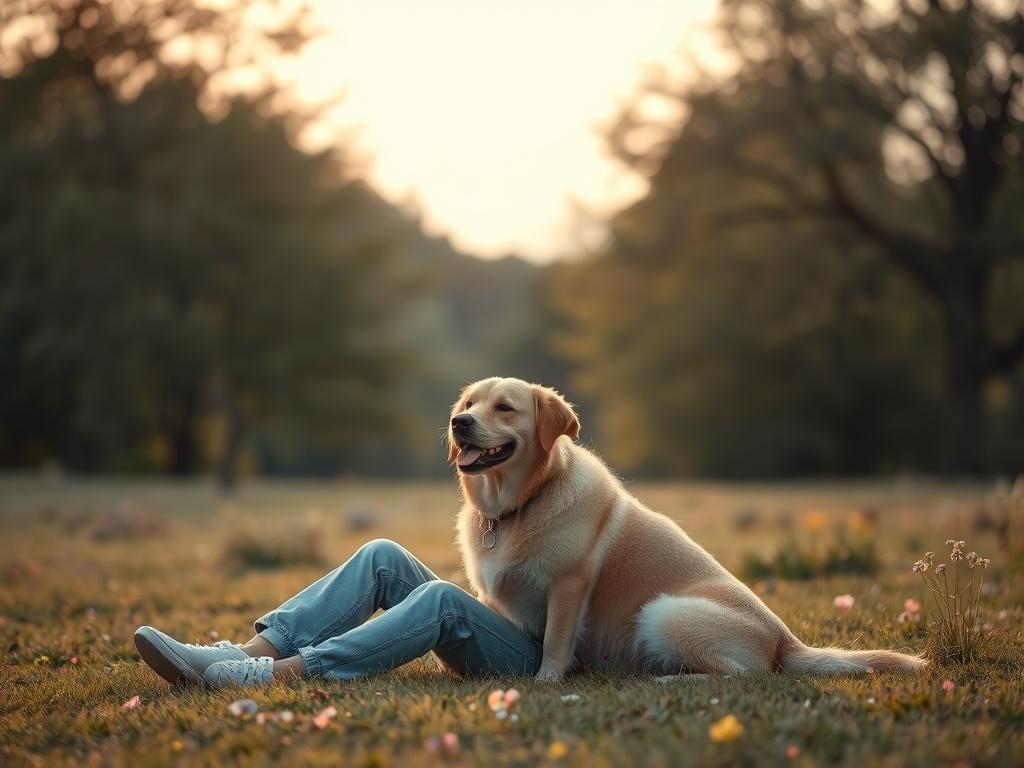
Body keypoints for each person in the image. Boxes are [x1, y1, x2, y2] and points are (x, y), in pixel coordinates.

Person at [134, 539, 541, 687]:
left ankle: (285, 671)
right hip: (505, 627)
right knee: (383, 555)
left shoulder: (579, 505)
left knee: (442, 599)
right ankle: (249, 653)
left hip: (538, 658)